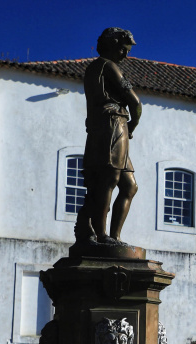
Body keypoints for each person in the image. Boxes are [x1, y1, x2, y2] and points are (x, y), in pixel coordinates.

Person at [75, 27, 142, 246]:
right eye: (124, 49)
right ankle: (102, 236)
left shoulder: (95, 68)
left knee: (129, 185)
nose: (126, 55)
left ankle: (114, 237)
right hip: (113, 124)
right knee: (109, 180)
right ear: (113, 45)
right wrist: (132, 125)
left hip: (106, 125)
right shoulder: (107, 66)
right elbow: (135, 102)